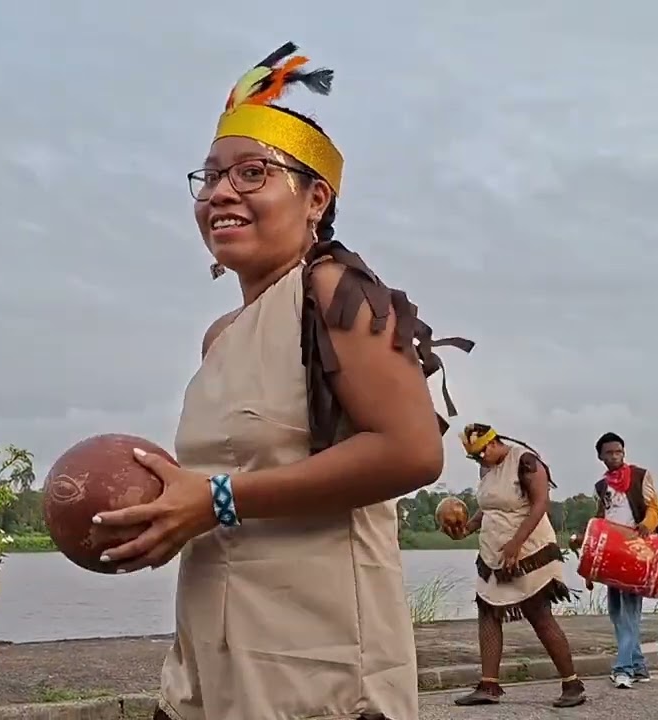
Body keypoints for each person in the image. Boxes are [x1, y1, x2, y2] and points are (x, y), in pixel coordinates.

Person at [87, 42, 473, 720]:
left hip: (315, 673)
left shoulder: (333, 288)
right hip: (212, 663)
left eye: (252, 173)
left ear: (315, 197)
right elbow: (220, 485)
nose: (220, 194)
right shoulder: (221, 334)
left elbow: (411, 450)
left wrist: (219, 499)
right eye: (208, 178)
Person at [447, 424, 585, 708]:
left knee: (538, 614)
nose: (482, 458)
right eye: (475, 456)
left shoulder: (526, 461)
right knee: (487, 612)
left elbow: (539, 505)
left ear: (495, 441)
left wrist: (516, 544)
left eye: (484, 450)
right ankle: (489, 686)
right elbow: (488, 508)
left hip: (529, 550)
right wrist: (466, 528)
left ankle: (572, 684)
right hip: (494, 552)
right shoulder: (486, 469)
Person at [590, 431, 658, 689]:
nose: (614, 456)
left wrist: (646, 525)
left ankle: (623, 669)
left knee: (630, 612)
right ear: (600, 456)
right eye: (609, 453)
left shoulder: (640, 476)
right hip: (612, 552)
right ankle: (639, 665)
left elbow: (654, 508)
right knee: (617, 612)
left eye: (618, 451)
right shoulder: (602, 486)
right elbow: (601, 518)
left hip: (637, 549)